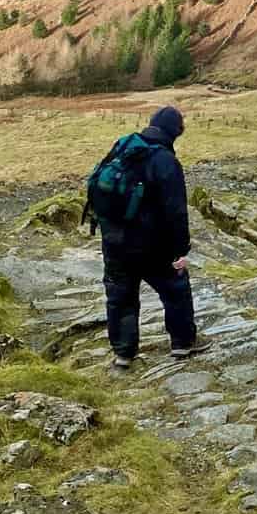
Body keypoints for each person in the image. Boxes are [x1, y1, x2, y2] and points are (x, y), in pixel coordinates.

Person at [96, 104, 202, 372]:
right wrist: (180, 249)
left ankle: (123, 354)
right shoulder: (166, 161)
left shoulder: (122, 146)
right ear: (175, 131)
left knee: (121, 297)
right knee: (176, 289)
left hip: (115, 241)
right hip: (152, 245)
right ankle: (182, 342)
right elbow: (176, 211)